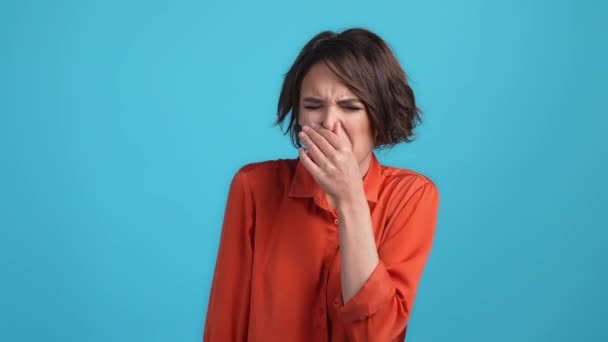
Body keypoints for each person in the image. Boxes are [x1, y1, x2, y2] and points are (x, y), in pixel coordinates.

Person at [203, 27, 440, 342]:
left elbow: (377, 333)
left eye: (351, 107)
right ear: (298, 114)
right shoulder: (253, 187)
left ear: (379, 116)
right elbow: (225, 323)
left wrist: (350, 199)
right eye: (313, 106)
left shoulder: (411, 196)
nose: (329, 124)